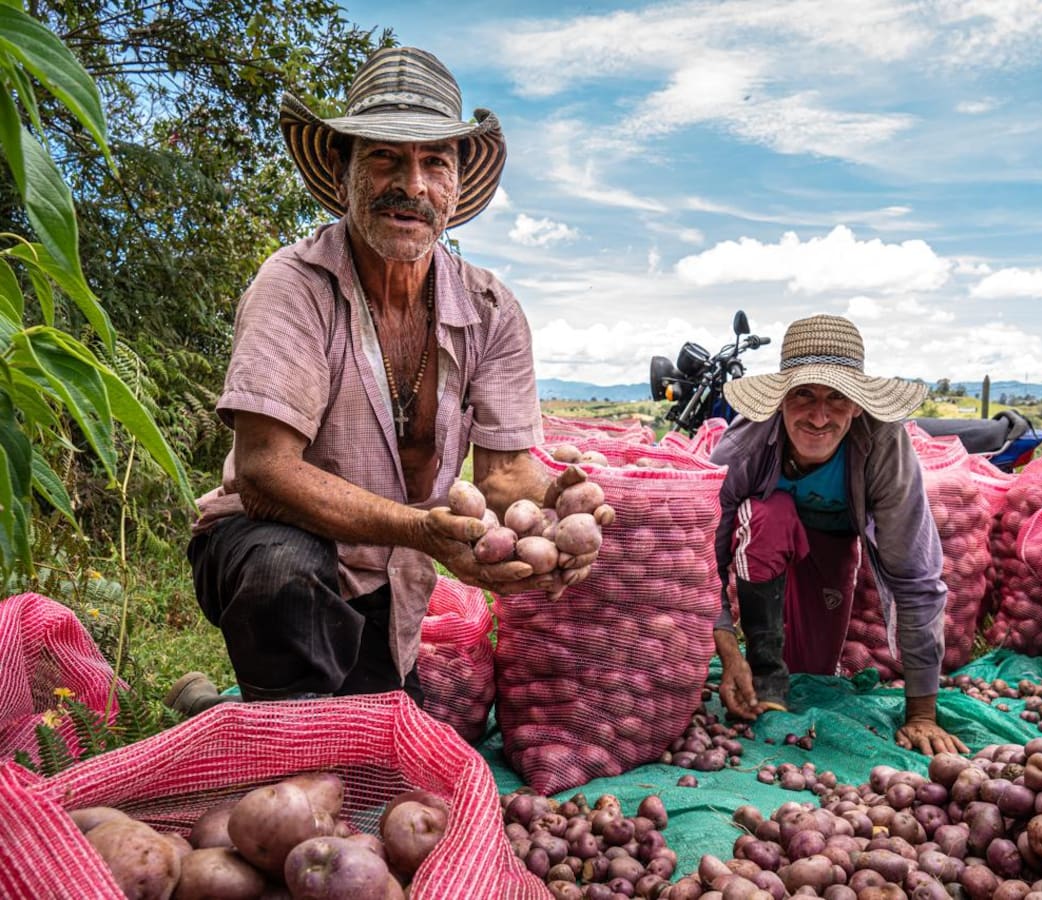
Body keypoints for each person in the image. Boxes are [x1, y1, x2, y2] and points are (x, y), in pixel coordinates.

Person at [168, 46, 602, 717]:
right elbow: (263, 472)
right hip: (273, 552)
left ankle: (217, 713)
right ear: (344, 171)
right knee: (284, 579)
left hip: (392, 576)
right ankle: (259, 720)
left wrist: (557, 502)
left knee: (382, 737)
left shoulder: (491, 310)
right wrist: (418, 528)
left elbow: (504, 476)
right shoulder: (294, 286)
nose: (414, 184)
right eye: (386, 158)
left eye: (435, 162)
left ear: (457, 185)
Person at [709, 313, 968, 756]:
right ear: (781, 400)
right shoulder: (743, 449)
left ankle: (787, 665)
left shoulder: (884, 447)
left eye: (837, 397)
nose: (819, 416)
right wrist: (729, 649)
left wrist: (921, 712)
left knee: (814, 670)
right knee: (768, 514)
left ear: (858, 405)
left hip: (833, 543)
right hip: (765, 541)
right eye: (803, 395)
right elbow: (701, 559)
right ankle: (765, 673)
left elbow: (916, 576)